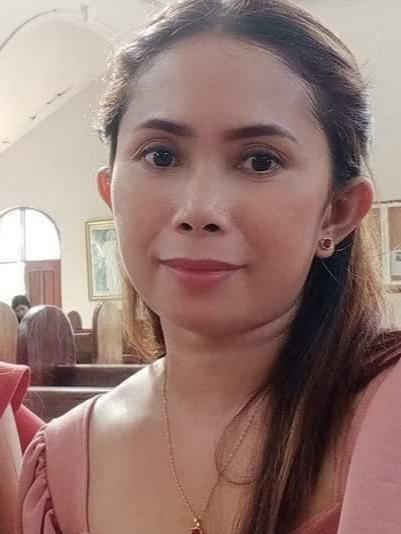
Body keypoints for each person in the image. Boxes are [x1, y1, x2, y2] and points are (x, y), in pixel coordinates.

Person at [17, 0, 401, 533]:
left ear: (335, 213)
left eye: (260, 161)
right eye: (161, 156)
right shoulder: (59, 466)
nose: (199, 210)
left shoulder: (387, 416)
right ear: (110, 191)